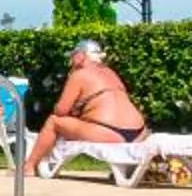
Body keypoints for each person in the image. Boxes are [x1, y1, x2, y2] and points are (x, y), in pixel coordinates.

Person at [28, 38, 149, 177]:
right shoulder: (111, 73)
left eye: (73, 57)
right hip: (139, 133)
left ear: (81, 56)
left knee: (53, 122)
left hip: (109, 132)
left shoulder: (79, 75)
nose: (71, 61)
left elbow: (61, 111)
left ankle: (29, 166)